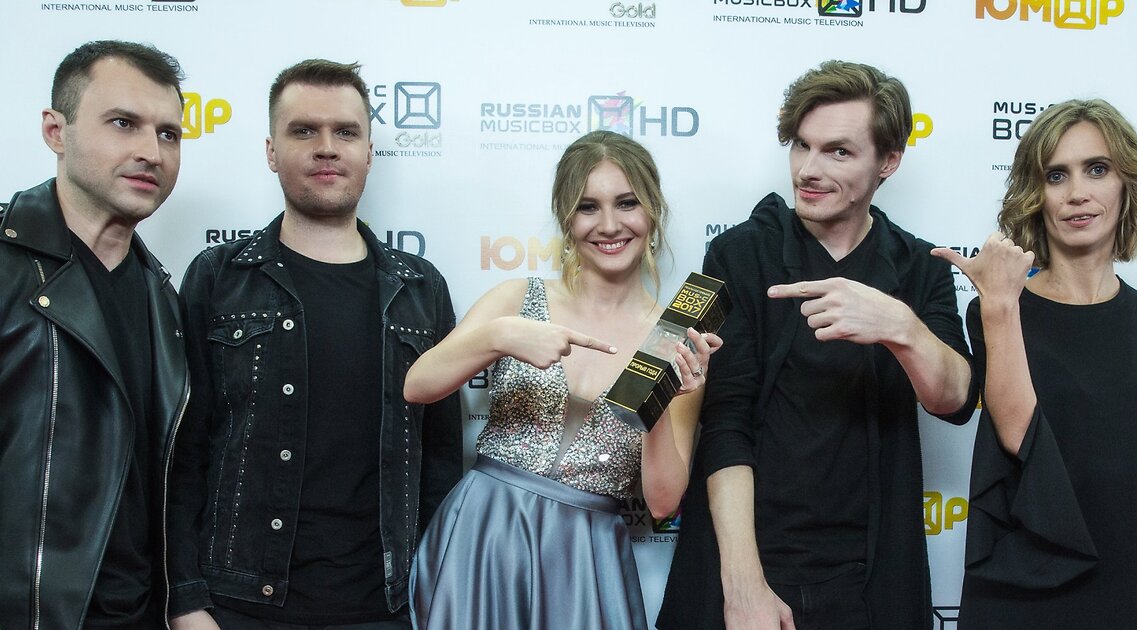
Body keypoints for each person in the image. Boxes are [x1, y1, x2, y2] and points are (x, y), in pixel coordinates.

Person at [658, 60, 977, 630]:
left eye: (838, 152)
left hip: (871, 579)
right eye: (801, 146)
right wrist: (744, 587)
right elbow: (725, 421)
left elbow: (954, 401)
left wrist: (900, 327)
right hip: (751, 567)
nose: (808, 169)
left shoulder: (918, 267)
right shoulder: (738, 255)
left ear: (888, 161)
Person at [166, 59, 462, 630]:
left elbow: (441, 463)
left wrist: (435, 595)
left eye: (345, 132)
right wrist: (185, 600)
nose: (326, 148)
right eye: (304, 131)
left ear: (369, 152)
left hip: (387, 608)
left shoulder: (421, 289)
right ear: (271, 151)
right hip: (239, 606)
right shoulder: (219, 277)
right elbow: (184, 452)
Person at [404, 130, 720, 630]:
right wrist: (500, 337)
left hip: (583, 557)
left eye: (627, 203)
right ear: (566, 218)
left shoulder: (672, 339)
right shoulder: (517, 299)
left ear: (653, 211)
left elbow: (662, 503)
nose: (610, 224)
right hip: (485, 536)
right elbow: (418, 385)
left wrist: (659, 400)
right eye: (588, 207)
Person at [932, 99, 1137, 628]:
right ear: (1037, 195)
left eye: (1097, 169)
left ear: (1126, 184)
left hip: (1123, 573)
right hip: (1023, 577)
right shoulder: (998, 309)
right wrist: (1001, 305)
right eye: (1056, 175)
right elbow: (1016, 430)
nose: (1077, 193)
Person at [0, 40, 188, 629]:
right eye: (123, 123)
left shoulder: (165, 298)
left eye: (168, 134)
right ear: (56, 131)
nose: (150, 152)